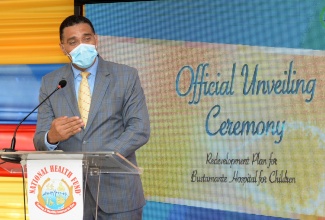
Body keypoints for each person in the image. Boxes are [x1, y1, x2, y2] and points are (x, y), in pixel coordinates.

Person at [33, 15, 150, 220]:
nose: (81, 45)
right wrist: (51, 137)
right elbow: (40, 139)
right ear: (63, 48)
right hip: (68, 195)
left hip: (118, 194)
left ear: (96, 40)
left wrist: (103, 158)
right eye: (73, 42)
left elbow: (139, 128)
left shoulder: (126, 75)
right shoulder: (51, 82)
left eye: (86, 39)